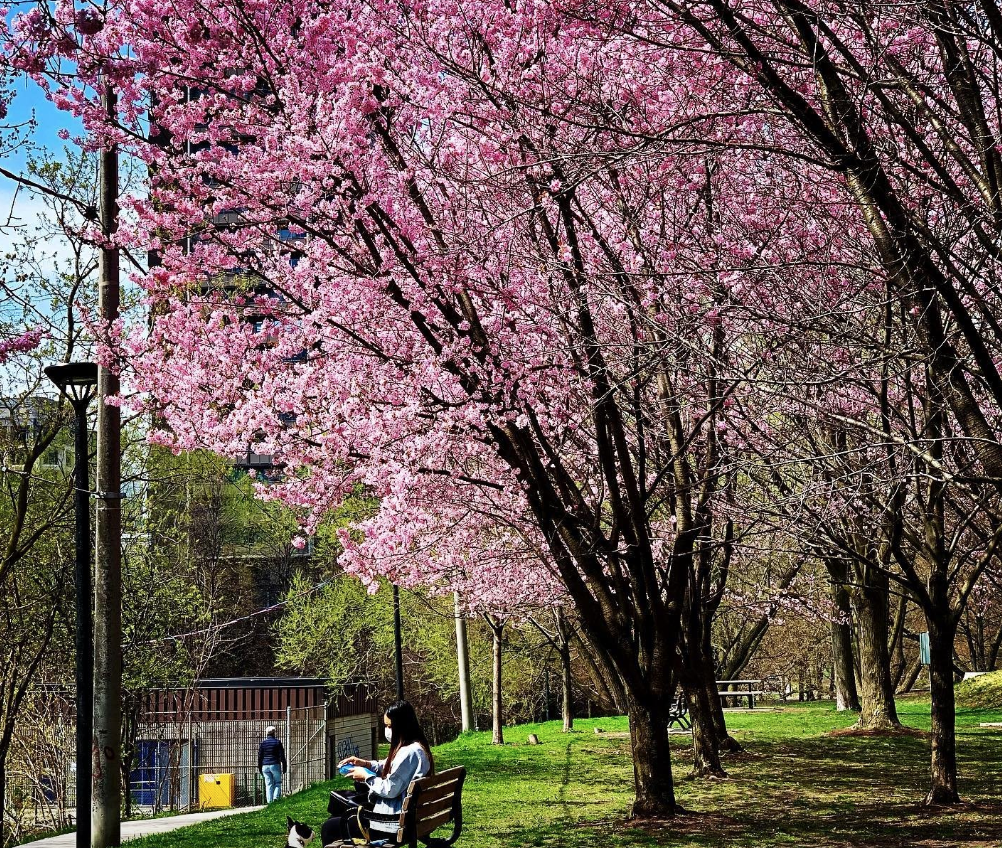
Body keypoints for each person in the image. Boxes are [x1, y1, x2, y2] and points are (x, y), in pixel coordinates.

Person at [321, 701, 433, 845]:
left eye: (390, 726)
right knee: (336, 818)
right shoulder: (416, 747)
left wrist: (367, 777)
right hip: (407, 818)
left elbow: (390, 789)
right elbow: (388, 766)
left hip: (392, 824)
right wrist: (365, 764)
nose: (387, 730)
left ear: (402, 725)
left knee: (329, 827)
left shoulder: (409, 752)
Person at [258, 725, 287, 803]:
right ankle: (276, 798)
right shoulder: (277, 742)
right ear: (274, 733)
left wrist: (260, 768)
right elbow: (282, 755)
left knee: (268, 784)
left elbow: (260, 756)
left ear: (266, 733)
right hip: (275, 764)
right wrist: (284, 766)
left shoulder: (263, 743)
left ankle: (269, 802)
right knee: (278, 782)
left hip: (265, 765)